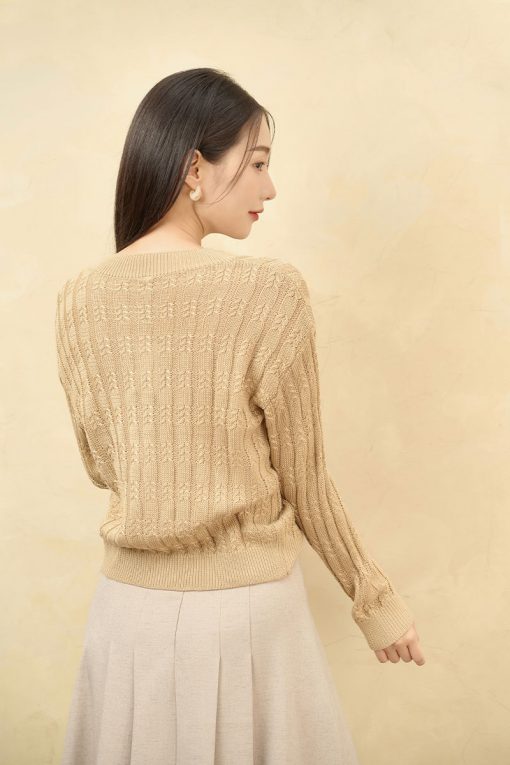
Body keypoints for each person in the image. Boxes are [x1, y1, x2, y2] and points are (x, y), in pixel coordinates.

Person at [55, 67, 425, 765]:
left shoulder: (79, 299)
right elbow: (304, 479)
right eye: (257, 163)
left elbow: (102, 464)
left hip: (125, 619)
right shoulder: (267, 292)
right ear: (195, 168)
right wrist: (377, 604)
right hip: (248, 618)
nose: (270, 187)